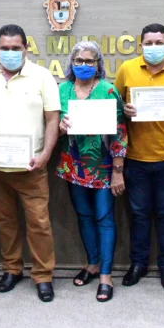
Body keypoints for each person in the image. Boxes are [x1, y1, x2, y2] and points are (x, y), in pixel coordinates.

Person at [0, 25, 60, 302]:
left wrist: (46, 154)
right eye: (4, 48)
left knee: (39, 223)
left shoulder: (42, 77)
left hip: (32, 166)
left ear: (26, 48)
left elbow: (52, 120)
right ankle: (12, 269)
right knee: (4, 221)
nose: (10, 52)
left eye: (16, 48)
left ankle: (43, 275)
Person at [113, 24, 164, 291]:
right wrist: (124, 109)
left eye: (158, 42)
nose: (153, 47)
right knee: (138, 214)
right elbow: (115, 108)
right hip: (135, 158)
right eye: (148, 43)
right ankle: (138, 263)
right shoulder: (127, 70)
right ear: (140, 45)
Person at [56, 42, 127, 302]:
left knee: (104, 218)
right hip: (73, 166)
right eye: (79, 60)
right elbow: (51, 127)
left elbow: (120, 130)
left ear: (98, 64)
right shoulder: (61, 90)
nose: (84, 65)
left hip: (104, 167)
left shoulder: (109, 90)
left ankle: (106, 275)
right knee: (84, 216)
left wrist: (118, 170)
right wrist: (60, 128)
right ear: (71, 63)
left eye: (90, 60)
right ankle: (93, 263)